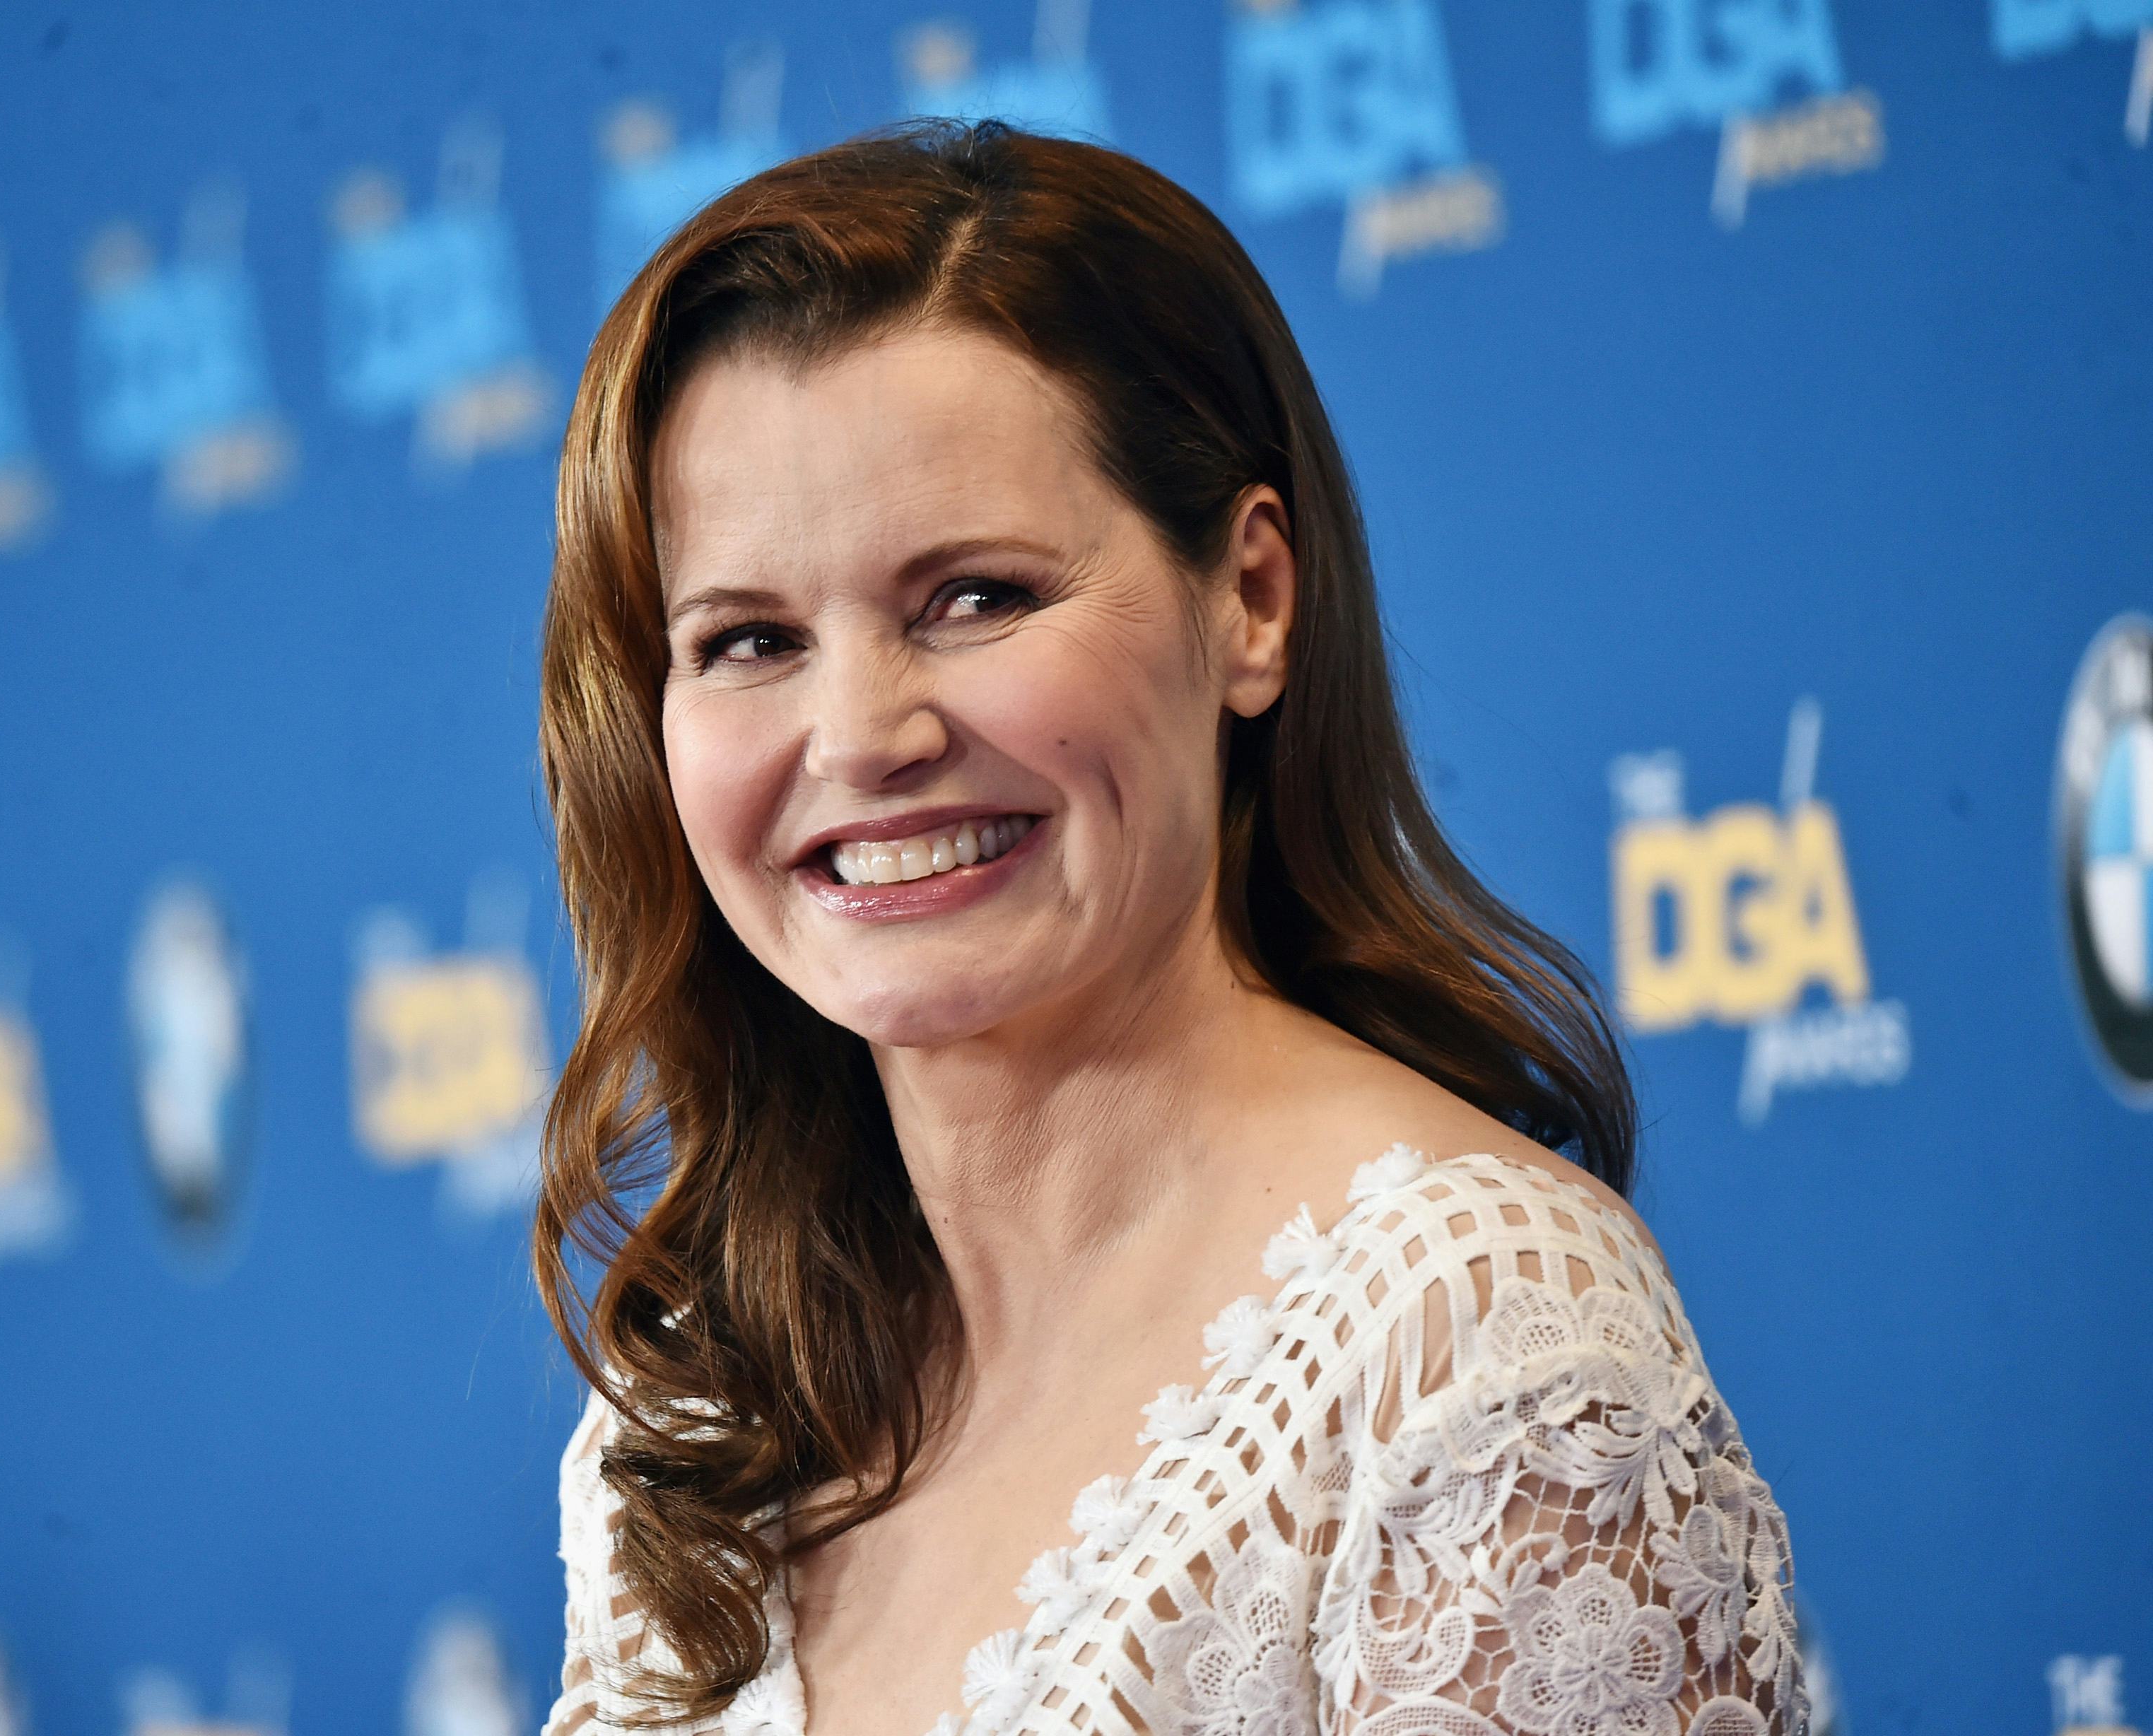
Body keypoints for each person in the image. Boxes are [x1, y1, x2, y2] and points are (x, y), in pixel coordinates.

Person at [531, 119, 1804, 1736]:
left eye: (976, 598)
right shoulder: (697, 1413)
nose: (858, 737)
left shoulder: (1475, 1341)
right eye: (748, 640)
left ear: (1251, 599)